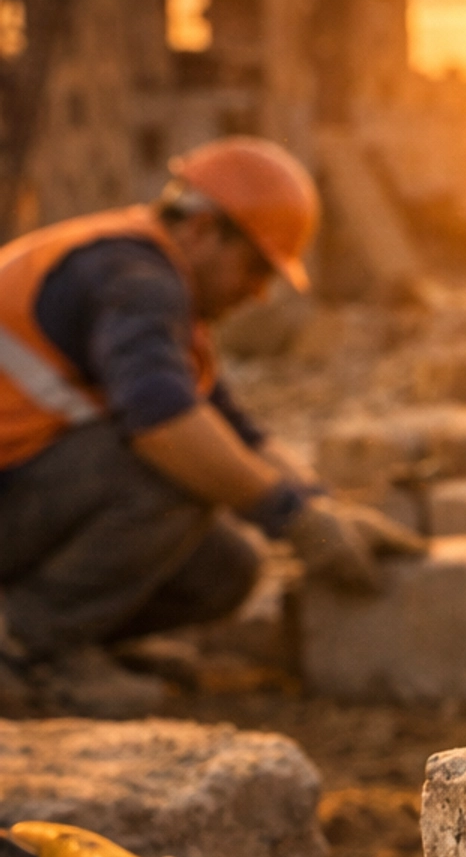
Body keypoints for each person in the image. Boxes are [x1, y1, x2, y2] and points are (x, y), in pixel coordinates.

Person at [0, 138, 419, 714]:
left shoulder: (153, 286)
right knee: (175, 475)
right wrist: (293, 521)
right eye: (254, 266)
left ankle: (74, 639)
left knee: (226, 569)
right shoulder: (137, 280)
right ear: (200, 231)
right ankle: (23, 646)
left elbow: (233, 429)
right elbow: (166, 429)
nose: (258, 292)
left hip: (20, 489)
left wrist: (324, 509)